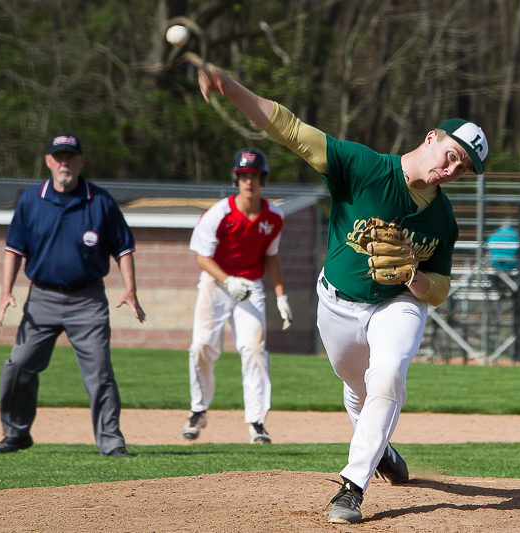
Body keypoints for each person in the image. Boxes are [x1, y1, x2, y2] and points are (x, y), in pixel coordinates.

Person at [196, 64, 487, 523]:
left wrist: (416, 281)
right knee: (358, 389)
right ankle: (379, 446)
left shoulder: (443, 220)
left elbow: (442, 287)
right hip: (337, 302)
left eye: (462, 168)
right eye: (451, 155)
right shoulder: (363, 167)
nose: (451, 170)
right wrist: (233, 89)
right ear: (431, 137)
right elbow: (290, 128)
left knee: (388, 375)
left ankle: (352, 487)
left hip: (398, 304)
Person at [0, 133, 146, 457]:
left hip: (87, 300)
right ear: (48, 161)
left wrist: (130, 289)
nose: (65, 163)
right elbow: (13, 249)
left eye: (71, 157)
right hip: (42, 299)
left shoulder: (100, 201)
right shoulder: (31, 201)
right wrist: (6, 291)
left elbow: (124, 248)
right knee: (18, 365)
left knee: (100, 372)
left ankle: (111, 442)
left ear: (81, 161)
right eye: (58, 157)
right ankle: (16, 433)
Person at [181, 148, 292, 445]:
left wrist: (281, 296)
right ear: (236, 179)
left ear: (262, 180)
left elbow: (272, 256)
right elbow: (202, 258)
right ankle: (198, 410)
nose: (249, 182)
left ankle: (256, 421)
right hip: (217, 282)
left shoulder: (274, 216)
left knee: (254, 350)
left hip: (251, 286)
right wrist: (227, 281)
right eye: (243, 176)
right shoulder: (220, 213)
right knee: (202, 345)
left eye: (254, 176)